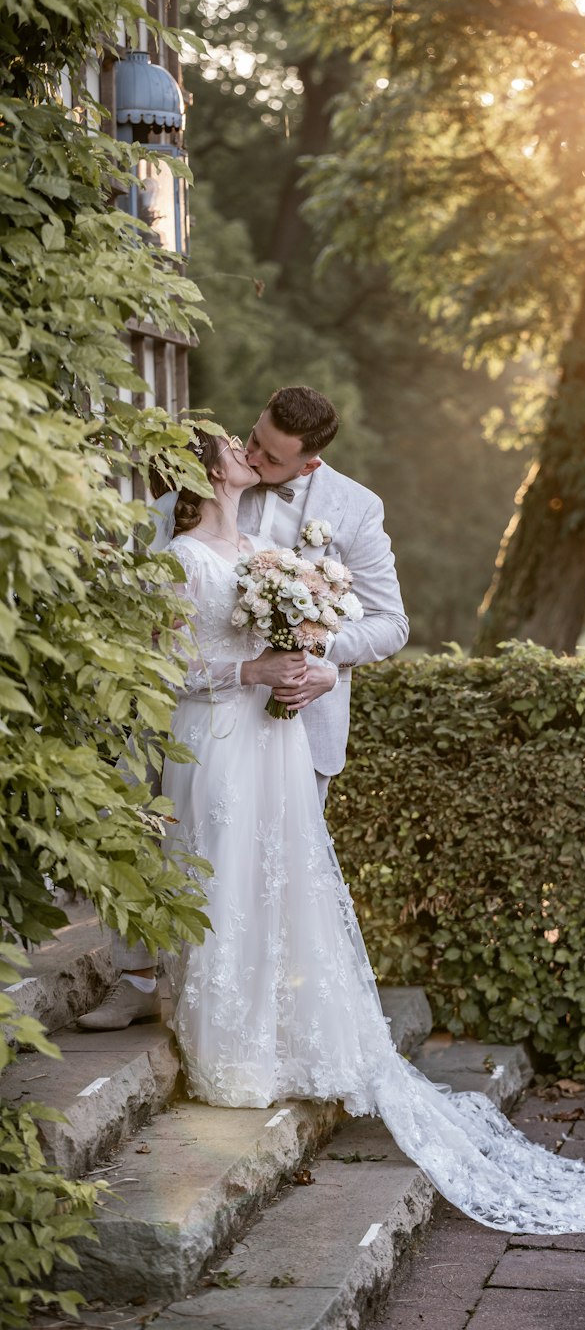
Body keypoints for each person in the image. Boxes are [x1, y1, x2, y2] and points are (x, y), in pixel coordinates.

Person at [154, 429, 585, 1233]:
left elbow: (356, 625)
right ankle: (226, 1050)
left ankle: (264, 1037)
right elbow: (169, 665)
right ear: (210, 471)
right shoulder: (185, 556)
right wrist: (252, 670)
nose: (246, 449)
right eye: (236, 442)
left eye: (257, 441)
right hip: (218, 743)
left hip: (272, 740)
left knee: (275, 883)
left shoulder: (264, 545)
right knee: (218, 878)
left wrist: (304, 660)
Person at [78, 386, 408, 1032]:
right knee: (147, 840)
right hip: (189, 711)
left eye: (272, 455)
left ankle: (260, 1009)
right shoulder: (191, 486)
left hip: (291, 721)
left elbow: (392, 622)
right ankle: (138, 977)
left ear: (308, 463)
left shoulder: (355, 508)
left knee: (269, 872)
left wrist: (320, 655)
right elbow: (148, 606)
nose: (253, 454)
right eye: (252, 438)